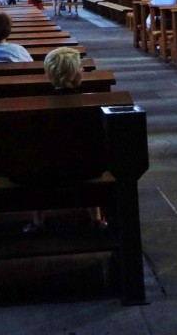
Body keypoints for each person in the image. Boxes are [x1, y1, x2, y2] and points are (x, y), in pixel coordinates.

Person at [23, 46, 108, 234]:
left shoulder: (36, 108)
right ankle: (96, 216)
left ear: (49, 74)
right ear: (75, 74)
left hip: (43, 172)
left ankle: (37, 221)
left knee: (36, 160)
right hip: (86, 170)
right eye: (80, 68)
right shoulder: (93, 107)